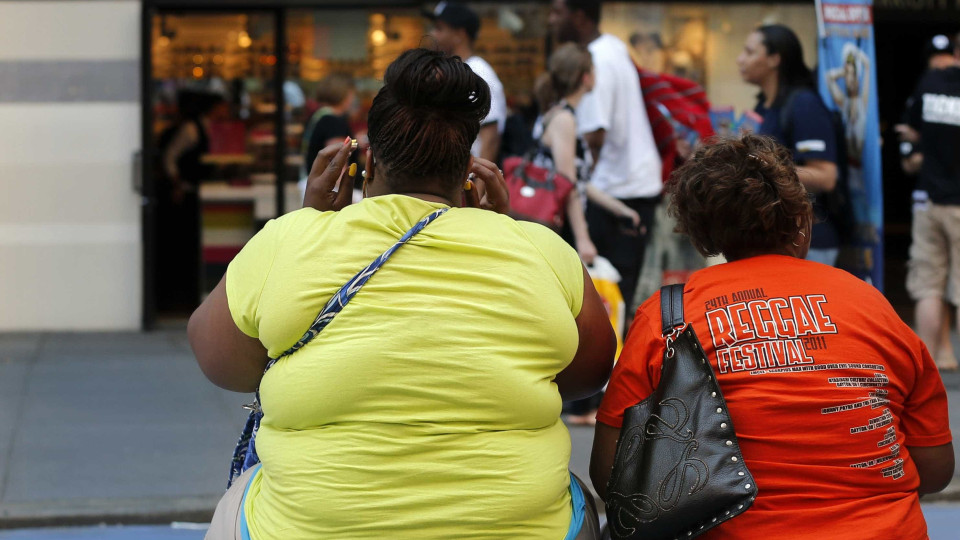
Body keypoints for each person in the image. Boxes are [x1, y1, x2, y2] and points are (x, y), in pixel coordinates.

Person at [190, 48, 615, 540]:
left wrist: (309, 224)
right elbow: (588, 376)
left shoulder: (290, 239)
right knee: (576, 496)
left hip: (312, 527)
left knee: (239, 498)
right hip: (517, 527)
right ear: (469, 171)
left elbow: (223, 364)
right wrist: (502, 231)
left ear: (366, 164)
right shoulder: (540, 249)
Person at [590, 133, 954, 539]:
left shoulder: (668, 314)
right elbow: (936, 469)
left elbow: (611, 472)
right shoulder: (871, 304)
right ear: (801, 220)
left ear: (701, 234)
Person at [549, 0, 664, 311]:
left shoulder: (596, 59)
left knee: (605, 301)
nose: (551, 20)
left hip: (618, 191)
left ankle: (610, 359)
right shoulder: (613, 46)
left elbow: (594, 139)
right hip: (626, 188)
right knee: (613, 295)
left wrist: (584, 228)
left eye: (558, 12)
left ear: (580, 17)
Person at [736, 24, 841, 267]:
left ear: (774, 59)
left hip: (808, 242)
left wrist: (766, 169)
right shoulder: (764, 106)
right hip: (773, 238)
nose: (740, 59)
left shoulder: (804, 104)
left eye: (750, 52)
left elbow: (826, 177)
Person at [896, 33, 960, 371]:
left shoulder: (926, 85)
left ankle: (929, 366)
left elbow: (910, 147)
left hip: (929, 200)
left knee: (928, 286)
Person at [157, 90, 227, 313]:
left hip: (204, 190)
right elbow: (170, 158)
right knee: (186, 241)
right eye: (222, 106)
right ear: (213, 108)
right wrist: (177, 184)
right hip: (188, 192)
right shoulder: (191, 129)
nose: (227, 111)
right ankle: (182, 291)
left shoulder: (215, 129)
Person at [427, 1, 507, 163]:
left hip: (469, 179)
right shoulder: (459, 70)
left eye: (440, 28)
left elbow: (490, 136)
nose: (433, 34)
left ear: (459, 34)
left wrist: (479, 186)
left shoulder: (478, 72)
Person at [302, 72, 356, 173]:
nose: (353, 99)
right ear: (344, 94)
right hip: (331, 187)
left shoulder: (319, 115)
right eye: (352, 94)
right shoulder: (334, 121)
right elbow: (337, 166)